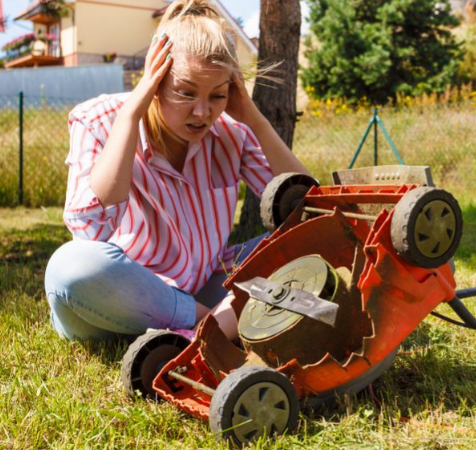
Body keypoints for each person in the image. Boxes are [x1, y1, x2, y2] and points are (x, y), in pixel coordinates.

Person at [44, 0, 309, 342]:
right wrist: (130, 117)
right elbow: (90, 230)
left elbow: (311, 207)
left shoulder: (232, 132)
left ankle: (200, 330)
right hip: (118, 301)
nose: (202, 112)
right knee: (71, 266)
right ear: (156, 79)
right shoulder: (97, 119)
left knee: (309, 238)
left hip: (206, 287)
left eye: (217, 95)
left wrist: (254, 119)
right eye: (185, 92)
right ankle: (211, 327)